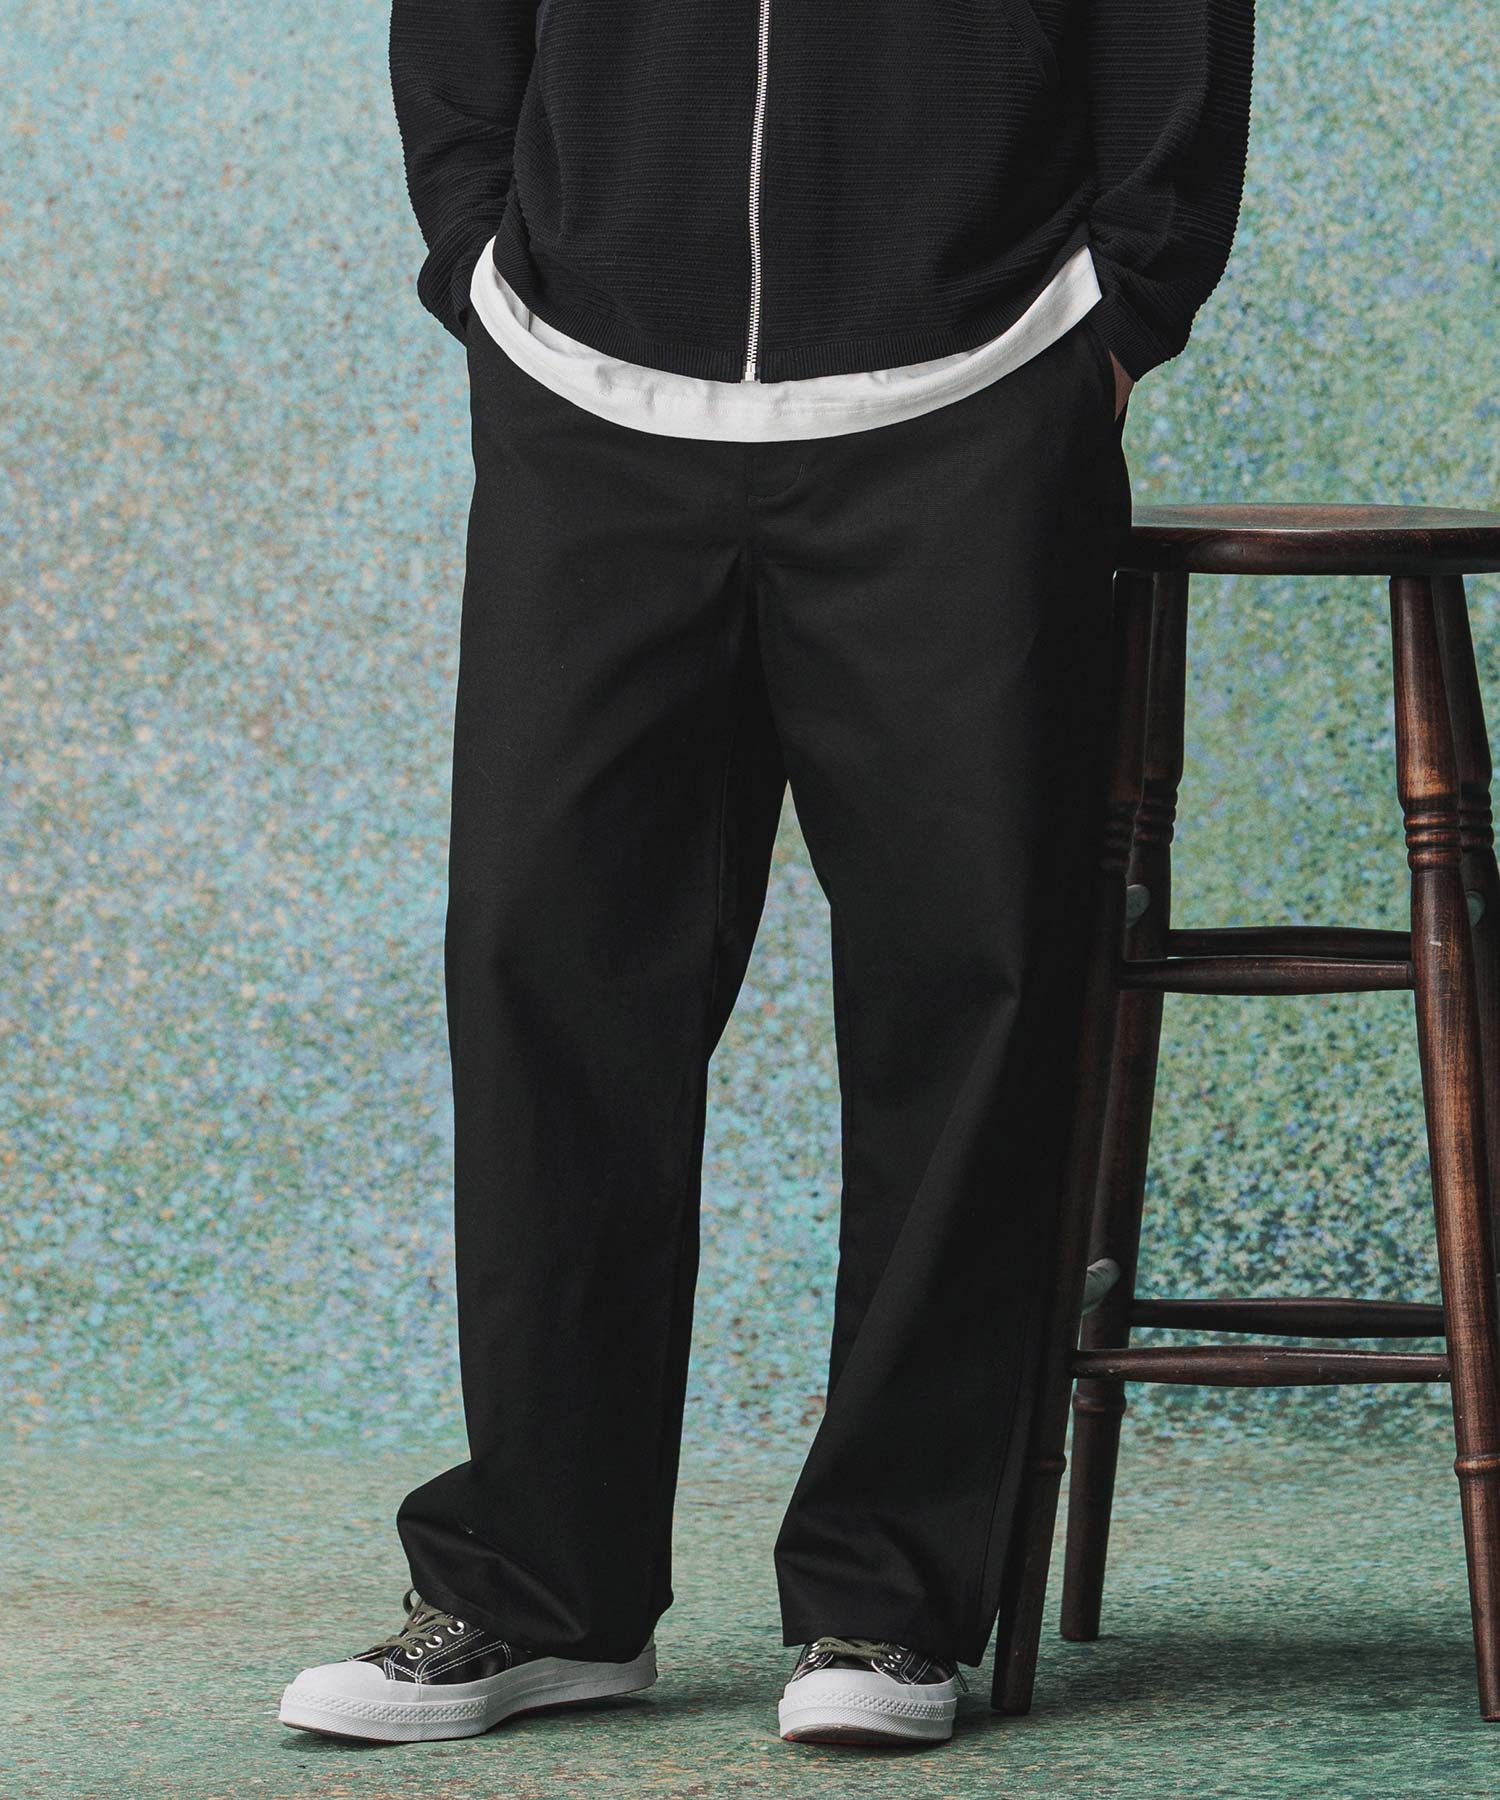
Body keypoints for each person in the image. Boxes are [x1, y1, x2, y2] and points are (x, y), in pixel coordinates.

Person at [280, 0, 1254, 1749]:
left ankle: (890, 1598)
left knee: (968, 985)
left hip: (971, 391)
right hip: (592, 391)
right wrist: (480, 263)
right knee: (542, 964)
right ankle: (545, 1593)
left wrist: (1122, 305)